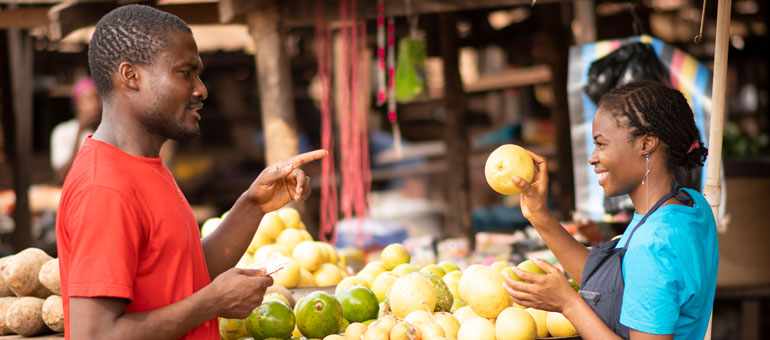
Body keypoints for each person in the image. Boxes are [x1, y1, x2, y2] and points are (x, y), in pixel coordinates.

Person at [55, 5, 326, 340]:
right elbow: (94, 335)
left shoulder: (143, 166)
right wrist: (211, 302)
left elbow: (185, 274)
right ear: (130, 76)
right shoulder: (105, 187)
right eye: (185, 73)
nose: (201, 90)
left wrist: (253, 205)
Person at [503, 81, 717, 340]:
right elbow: (614, 287)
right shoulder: (691, 205)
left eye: (601, 144)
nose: (592, 158)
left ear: (646, 143)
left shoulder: (653, 244)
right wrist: (540, 216)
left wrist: (568, 304)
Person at [50, 77, 102, 183]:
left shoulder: (106, 132)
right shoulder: (62, 132)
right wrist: (80, 131)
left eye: (97, 99)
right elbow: (61, 175)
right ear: (77, 105)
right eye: (88, 99)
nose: (95, 105)